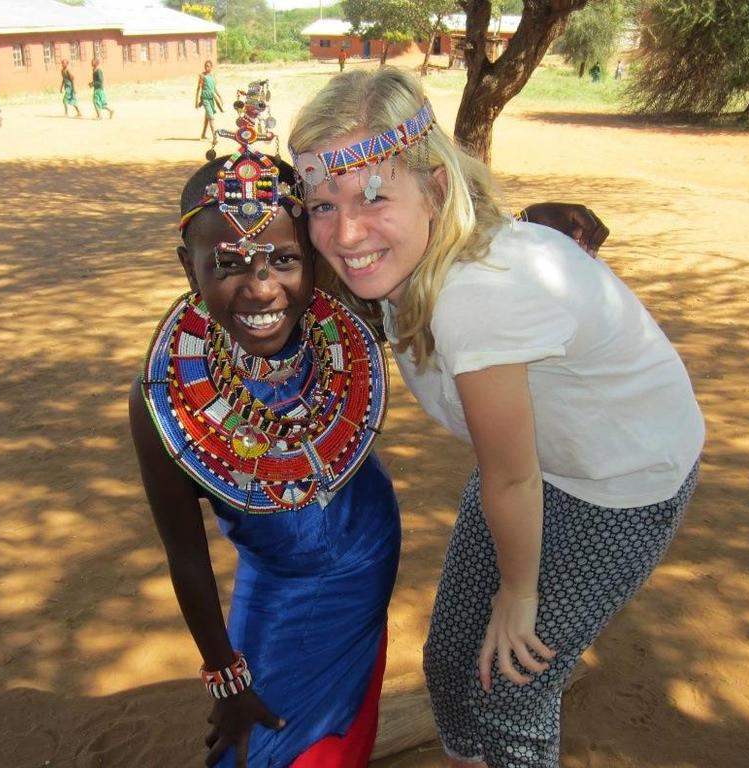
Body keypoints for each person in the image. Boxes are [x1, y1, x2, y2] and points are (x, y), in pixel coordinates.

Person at [288, 68, 705, 768]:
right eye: (321, 205)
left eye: (373, 196)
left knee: (514, 683)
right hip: (533, 467)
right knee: (452, 659)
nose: (346, 230)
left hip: (622, 479)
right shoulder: (408, 259)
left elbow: (512, 479)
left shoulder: (477, 296)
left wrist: (520, 593)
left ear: (437, 190)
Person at [129, 85, 399, 768]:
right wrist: (227, 679)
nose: (260, 289)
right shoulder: (165, 399)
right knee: (262, 748)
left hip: (369, 556)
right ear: (185, 266)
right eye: (226, 265)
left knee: (345, 735)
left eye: (283, 260)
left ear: (310, 258)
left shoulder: (339, 333)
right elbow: (187, 557)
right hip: (283, 587)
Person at [196, 60, 225, 143]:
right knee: (211, 117)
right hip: (204, 98)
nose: (206, 67)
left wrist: (220, 97)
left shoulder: (213, 76)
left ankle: (203, 135)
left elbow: (214, 88)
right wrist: (196, 101)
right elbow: (198, 88)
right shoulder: (202, 76)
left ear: (211, 67)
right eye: (205, 66)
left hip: (211, 99)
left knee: (207, 117)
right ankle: (214, 137)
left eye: (208, 66)